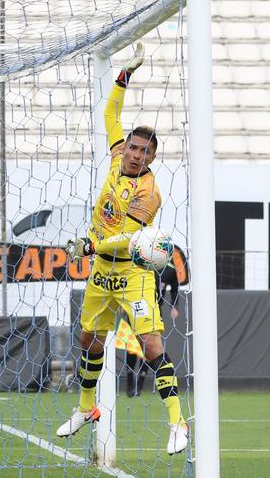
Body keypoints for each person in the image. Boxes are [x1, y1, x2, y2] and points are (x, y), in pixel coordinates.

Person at [56, 43, 188, 455]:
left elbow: (127, 238)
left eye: (144, 151)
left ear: (152, 158)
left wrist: (91, 243)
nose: (135, 154)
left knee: (150, 345)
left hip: (131, 273)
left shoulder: (150, 192)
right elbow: (110, 114)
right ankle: (87, 408)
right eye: (132, 147)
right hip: (101, 272)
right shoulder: (116, 159)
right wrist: (124, 75)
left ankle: (178, 423)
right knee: (89, 340)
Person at [126, 263, 180, 397]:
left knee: (149, 347)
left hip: (155, 309)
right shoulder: (140, 263)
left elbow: (175, 288)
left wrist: (174, 305)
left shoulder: (170, 269)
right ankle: (130, 379)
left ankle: (140, 382)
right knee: (132, 346)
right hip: (136, 306)